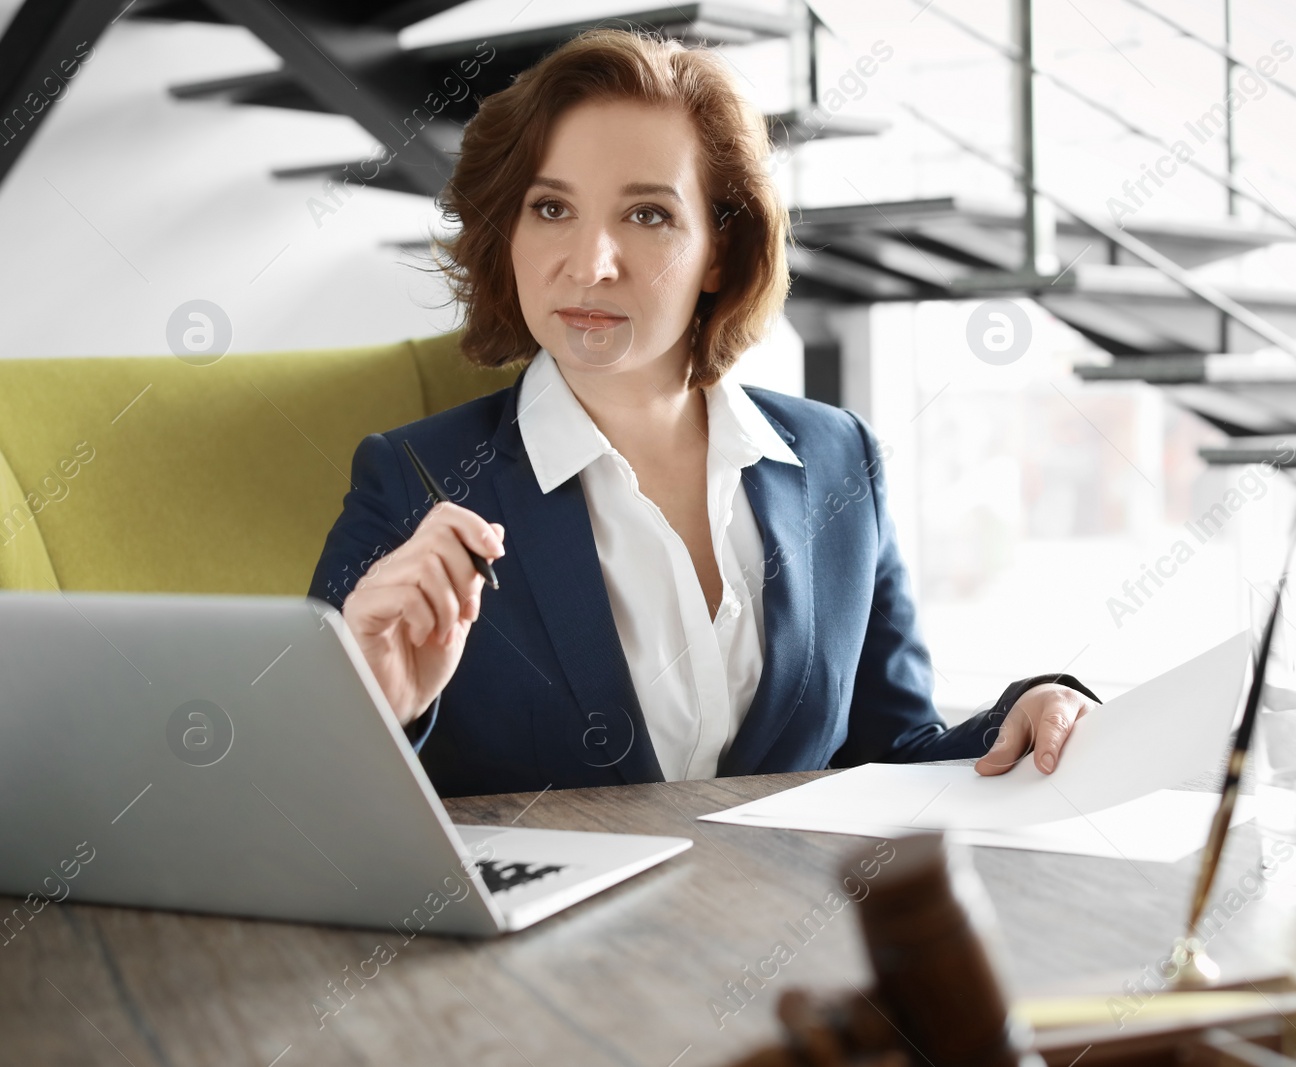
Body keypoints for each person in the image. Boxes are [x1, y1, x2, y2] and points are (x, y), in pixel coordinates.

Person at [309, 28, 1099, 797]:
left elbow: (890, 753)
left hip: (776, 920)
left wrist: (1019, 717)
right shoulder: (414, 479)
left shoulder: (837, 458)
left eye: (647, 214)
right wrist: (378, 715)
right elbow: (296, 802)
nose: (589, 265)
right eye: (551, 209)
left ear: (721, 248)